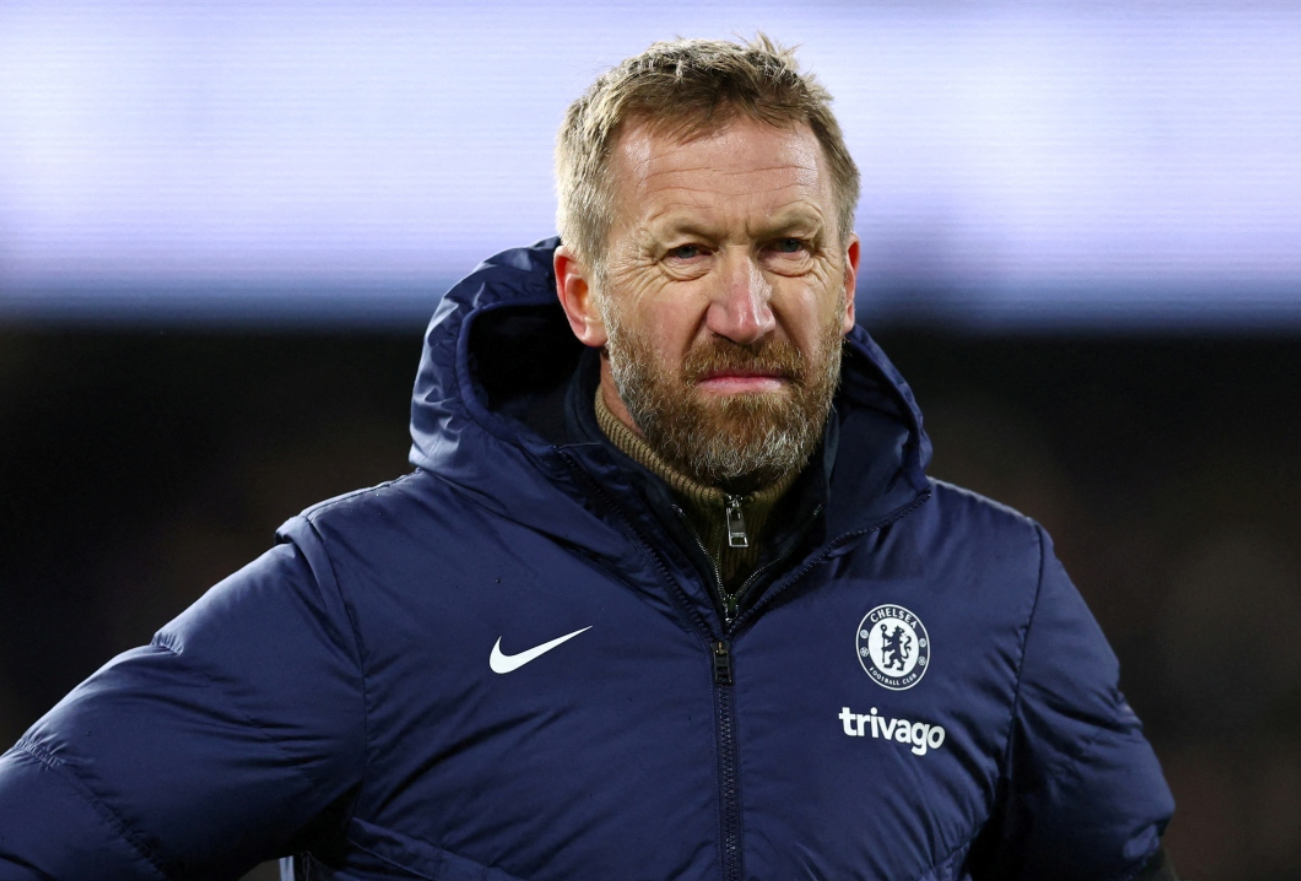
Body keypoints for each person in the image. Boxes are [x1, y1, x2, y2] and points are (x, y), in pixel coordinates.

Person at [0, 35, 1179, 881]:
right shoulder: (369, 590)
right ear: (580, 294)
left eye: (788, 247)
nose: (745, 310)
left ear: (846, 278)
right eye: (684, 253)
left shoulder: (997, 588)